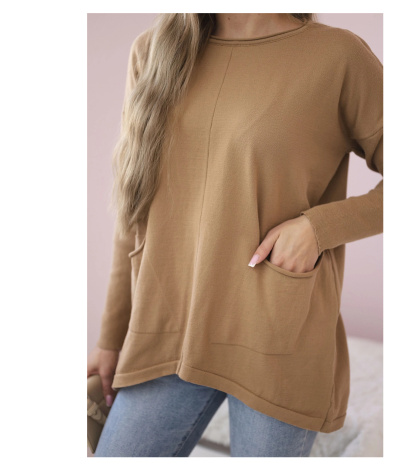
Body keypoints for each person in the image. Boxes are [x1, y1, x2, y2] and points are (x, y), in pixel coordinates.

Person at [87, 13, 383, 457]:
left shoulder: (338, 57)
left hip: (275, 336)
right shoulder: (152, 51)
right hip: (165, 329)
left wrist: (317, 229)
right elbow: (133, 210)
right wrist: (111, 338)